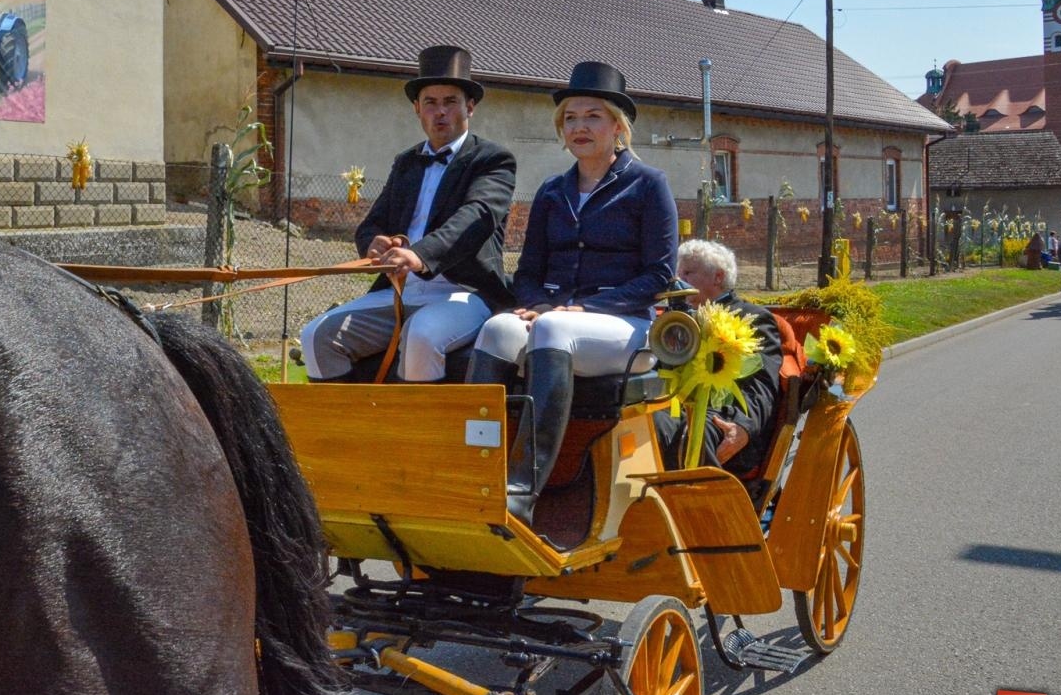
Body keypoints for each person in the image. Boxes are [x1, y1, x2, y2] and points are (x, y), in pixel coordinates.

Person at [467, 61, 676, 525]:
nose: (579, 127)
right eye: (571, 119)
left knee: (557, 328)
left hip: (628, 327)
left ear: (618, 126)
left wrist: (581, 307)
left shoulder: (649, 185)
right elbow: (527, 271)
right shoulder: (551, 191)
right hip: (556, 318)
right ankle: (471, 472)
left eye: (592, 117)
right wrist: (538, 303)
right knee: (499, 329)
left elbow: (659, 274)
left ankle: (522, 489)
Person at [299, 45, 517, 383]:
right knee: (316, 336)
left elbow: (478, 215)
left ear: (470, 107)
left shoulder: (492, 159)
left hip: (464, 293)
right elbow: (374, 222)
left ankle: (421, 435)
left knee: (422, 335)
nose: (440, 112)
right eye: (430, 102)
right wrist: (373, 243)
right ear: (417, 109)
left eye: (450, 102)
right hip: (400, 291)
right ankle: (353, 432)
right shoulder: (406, 162)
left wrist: (419, 255)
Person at [653, 239, 783, 476]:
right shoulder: (674, 319)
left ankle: (698, 509)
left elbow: (762, 384)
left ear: (718, 277)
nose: (677, 280)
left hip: (726, 415)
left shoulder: (754, 318)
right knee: (642, 427)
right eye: (677, 272)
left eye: (688, 273)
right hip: (675, 408)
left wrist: (743, 426)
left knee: (696, 434)